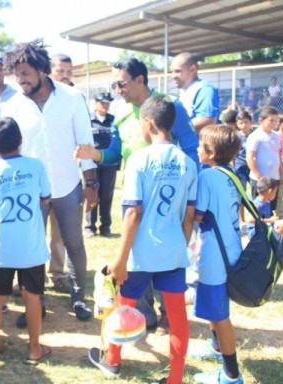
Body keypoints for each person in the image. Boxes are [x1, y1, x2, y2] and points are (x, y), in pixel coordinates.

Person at [75, 58, 199, 331]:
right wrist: (93, 154)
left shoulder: (169, 107)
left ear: (140, 80)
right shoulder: (121, 114)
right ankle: (143, 316)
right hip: (134, 199)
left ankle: (170, 311)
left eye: (121, 83)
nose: (117, 89)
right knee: (136, 256)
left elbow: (191, 148)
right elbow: (115, 154)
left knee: (167, 253)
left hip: (169, 199)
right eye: (114, 84)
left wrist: (192, 191)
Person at [87, 96, 196, 383]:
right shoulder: (188, 162)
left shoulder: (139, 159)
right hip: (173, 250)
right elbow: (189, 216)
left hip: (140, 252)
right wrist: (180, 248)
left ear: (148, 123)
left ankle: (112, 361)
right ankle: (175, 378)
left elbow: (133, 213)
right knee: (176, 316)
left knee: (124, 306)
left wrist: (120, 259)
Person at [2, 39, 97, 323]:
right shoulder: (13, 104)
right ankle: (36, 303)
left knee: (74, 243)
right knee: (33, 246)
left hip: (68, 185)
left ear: (42, 70)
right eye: (17, 74)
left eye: (26, 73)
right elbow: (9, 149)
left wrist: (91, 183)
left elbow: (85, 141)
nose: (21, 79)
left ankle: (79, 298)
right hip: (30, 191)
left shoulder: (71, 97)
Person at [0, 116, 52, 364]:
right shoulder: (36, 166)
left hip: (1, 247)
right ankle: (34, 349)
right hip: (31, 246)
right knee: (32, 296)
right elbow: (46, 198)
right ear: (21, 140)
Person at [191, 124, 244, 384]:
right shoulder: (231, 174)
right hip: (231, 250)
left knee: (220, 315)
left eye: (201, 145)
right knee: (216, 307)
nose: (198, 149)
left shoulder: (207, 177)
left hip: (214, 255)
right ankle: (215, 349)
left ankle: (231, 374)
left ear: (211, 152)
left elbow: (198, 214)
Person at [45, 52, 78, 294]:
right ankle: (30, 273)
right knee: (34, 230)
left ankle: (57, 272)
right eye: (60, 71)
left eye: (69, 72)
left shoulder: (75, 99)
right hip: (39, 178)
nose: (65, 77)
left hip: (66, 178)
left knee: (60, 232)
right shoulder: (38, 99)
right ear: (49, 72)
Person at [85, 91, 118, 238]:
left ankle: (105, 227)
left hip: (109, 163)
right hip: (92, 163)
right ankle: (89, 227)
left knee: (106, 195)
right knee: (92, 193)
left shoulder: (113, 120)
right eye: (102, 102)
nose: (105, 105)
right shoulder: (88, 120)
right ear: (95, 103)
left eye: (107, 103)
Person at [246, 107, 283, 212]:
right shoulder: (255, 136)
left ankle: (269, 226)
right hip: (260, 178)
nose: (274, 123)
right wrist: (259, 177)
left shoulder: (276, 136)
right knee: (258, 208)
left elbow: (278, 155)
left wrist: (281, 175)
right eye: (271, 120)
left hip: (274, 177)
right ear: (261, 120)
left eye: (276, 121)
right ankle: (256, 227)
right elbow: (250, 157)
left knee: (271, 208)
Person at [171, 52, 219, 133]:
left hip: (200, 144)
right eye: (172, 71)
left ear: (192, 69)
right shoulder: (185, 91)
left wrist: (174, 128)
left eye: (177, 71)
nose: (173, 76)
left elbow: (207, 120)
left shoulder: (204, 89)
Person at [234, 110, 253, 191]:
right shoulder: (235, 137)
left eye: (246, 122)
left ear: (251, 122)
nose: (244, 125)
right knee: (241, 191)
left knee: (256, 190)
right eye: (241, 123)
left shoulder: (255, 136)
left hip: (253, 167)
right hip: (240, 167)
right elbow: (233, 154)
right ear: (237, 124)